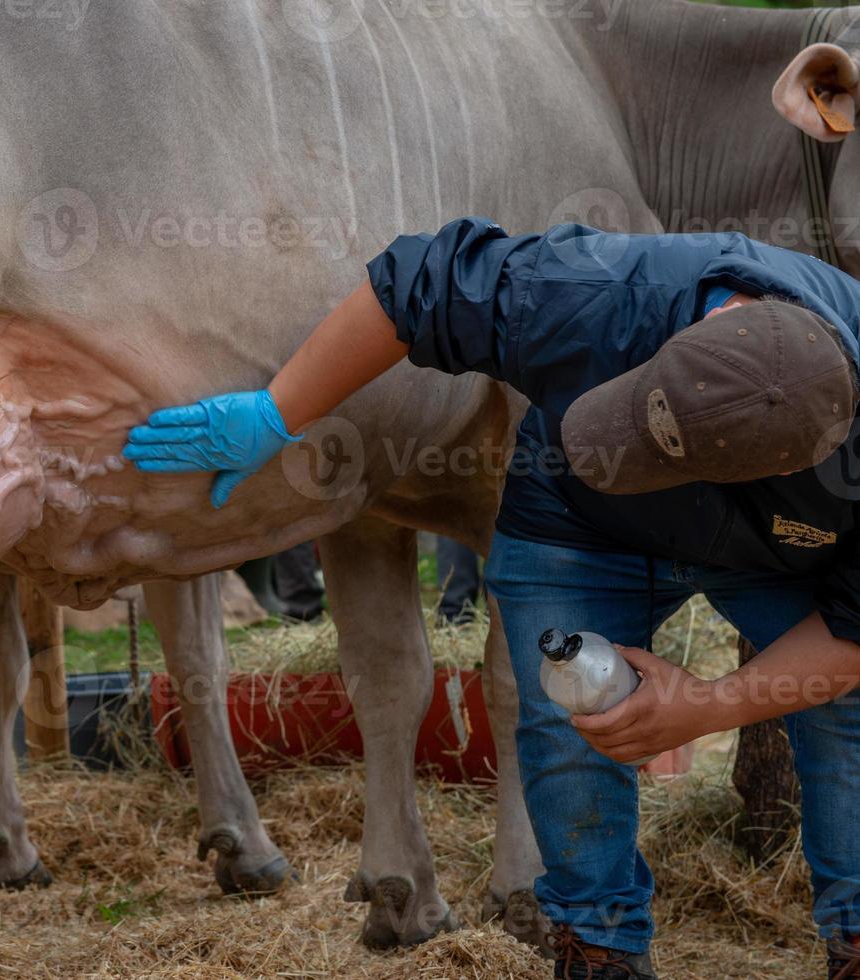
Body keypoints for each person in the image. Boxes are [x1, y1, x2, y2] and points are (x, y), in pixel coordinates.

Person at [123, 217, 860, 980]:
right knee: (570, 712)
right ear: (700, 328)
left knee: (842, 711)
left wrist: (710, 706)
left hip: (779, 548)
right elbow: (419, 283)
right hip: (580, 523)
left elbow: (853, 628)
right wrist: (277, 411)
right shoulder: (602, 294)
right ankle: (598, 947)